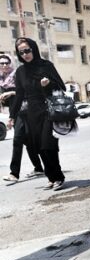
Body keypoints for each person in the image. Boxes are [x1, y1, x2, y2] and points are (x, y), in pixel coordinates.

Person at [8, 38, 66, 191]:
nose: (25, 54)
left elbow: (61, 86)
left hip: (48, 109)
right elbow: (19, 95)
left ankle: (59, 176)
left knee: (49, 144)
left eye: (27, 50)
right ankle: (51, 177)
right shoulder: (20, 72)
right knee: (39, 147)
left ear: (33, 49)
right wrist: (12, 116)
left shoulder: (46, 65)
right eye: (21, 52)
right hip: (32, 113)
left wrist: (48, 84)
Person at [1, 54, 44, 183]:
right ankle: (39, 168)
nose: (4, 65)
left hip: (27, 109)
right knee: (28, 142)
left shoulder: (18, 74)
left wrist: (11, 93)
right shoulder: (1, 79)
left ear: (11, 62)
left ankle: (14, 173)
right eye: (1, 63)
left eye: (6, 62)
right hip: (15, 112)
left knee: (18, 139)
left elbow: (27, 91)